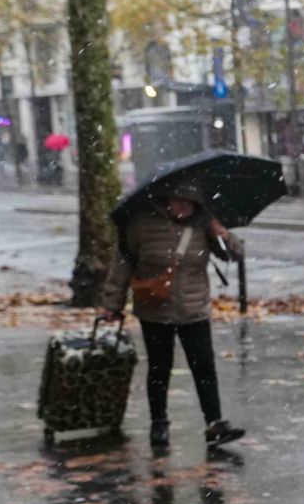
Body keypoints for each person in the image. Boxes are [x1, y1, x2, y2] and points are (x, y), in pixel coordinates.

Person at [100, 189, 246, 449]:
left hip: (193, 309)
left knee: (203, 367)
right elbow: (123, 262)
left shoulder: (204, 222)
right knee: (159, 367)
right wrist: (113, 303)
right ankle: (159, 423)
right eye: (177, 200)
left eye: (189, 202)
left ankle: (214, 424)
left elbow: (234, 254)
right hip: (154, 309)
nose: (183, 207)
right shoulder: (141, 222)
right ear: (164, 199)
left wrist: (220, 233)